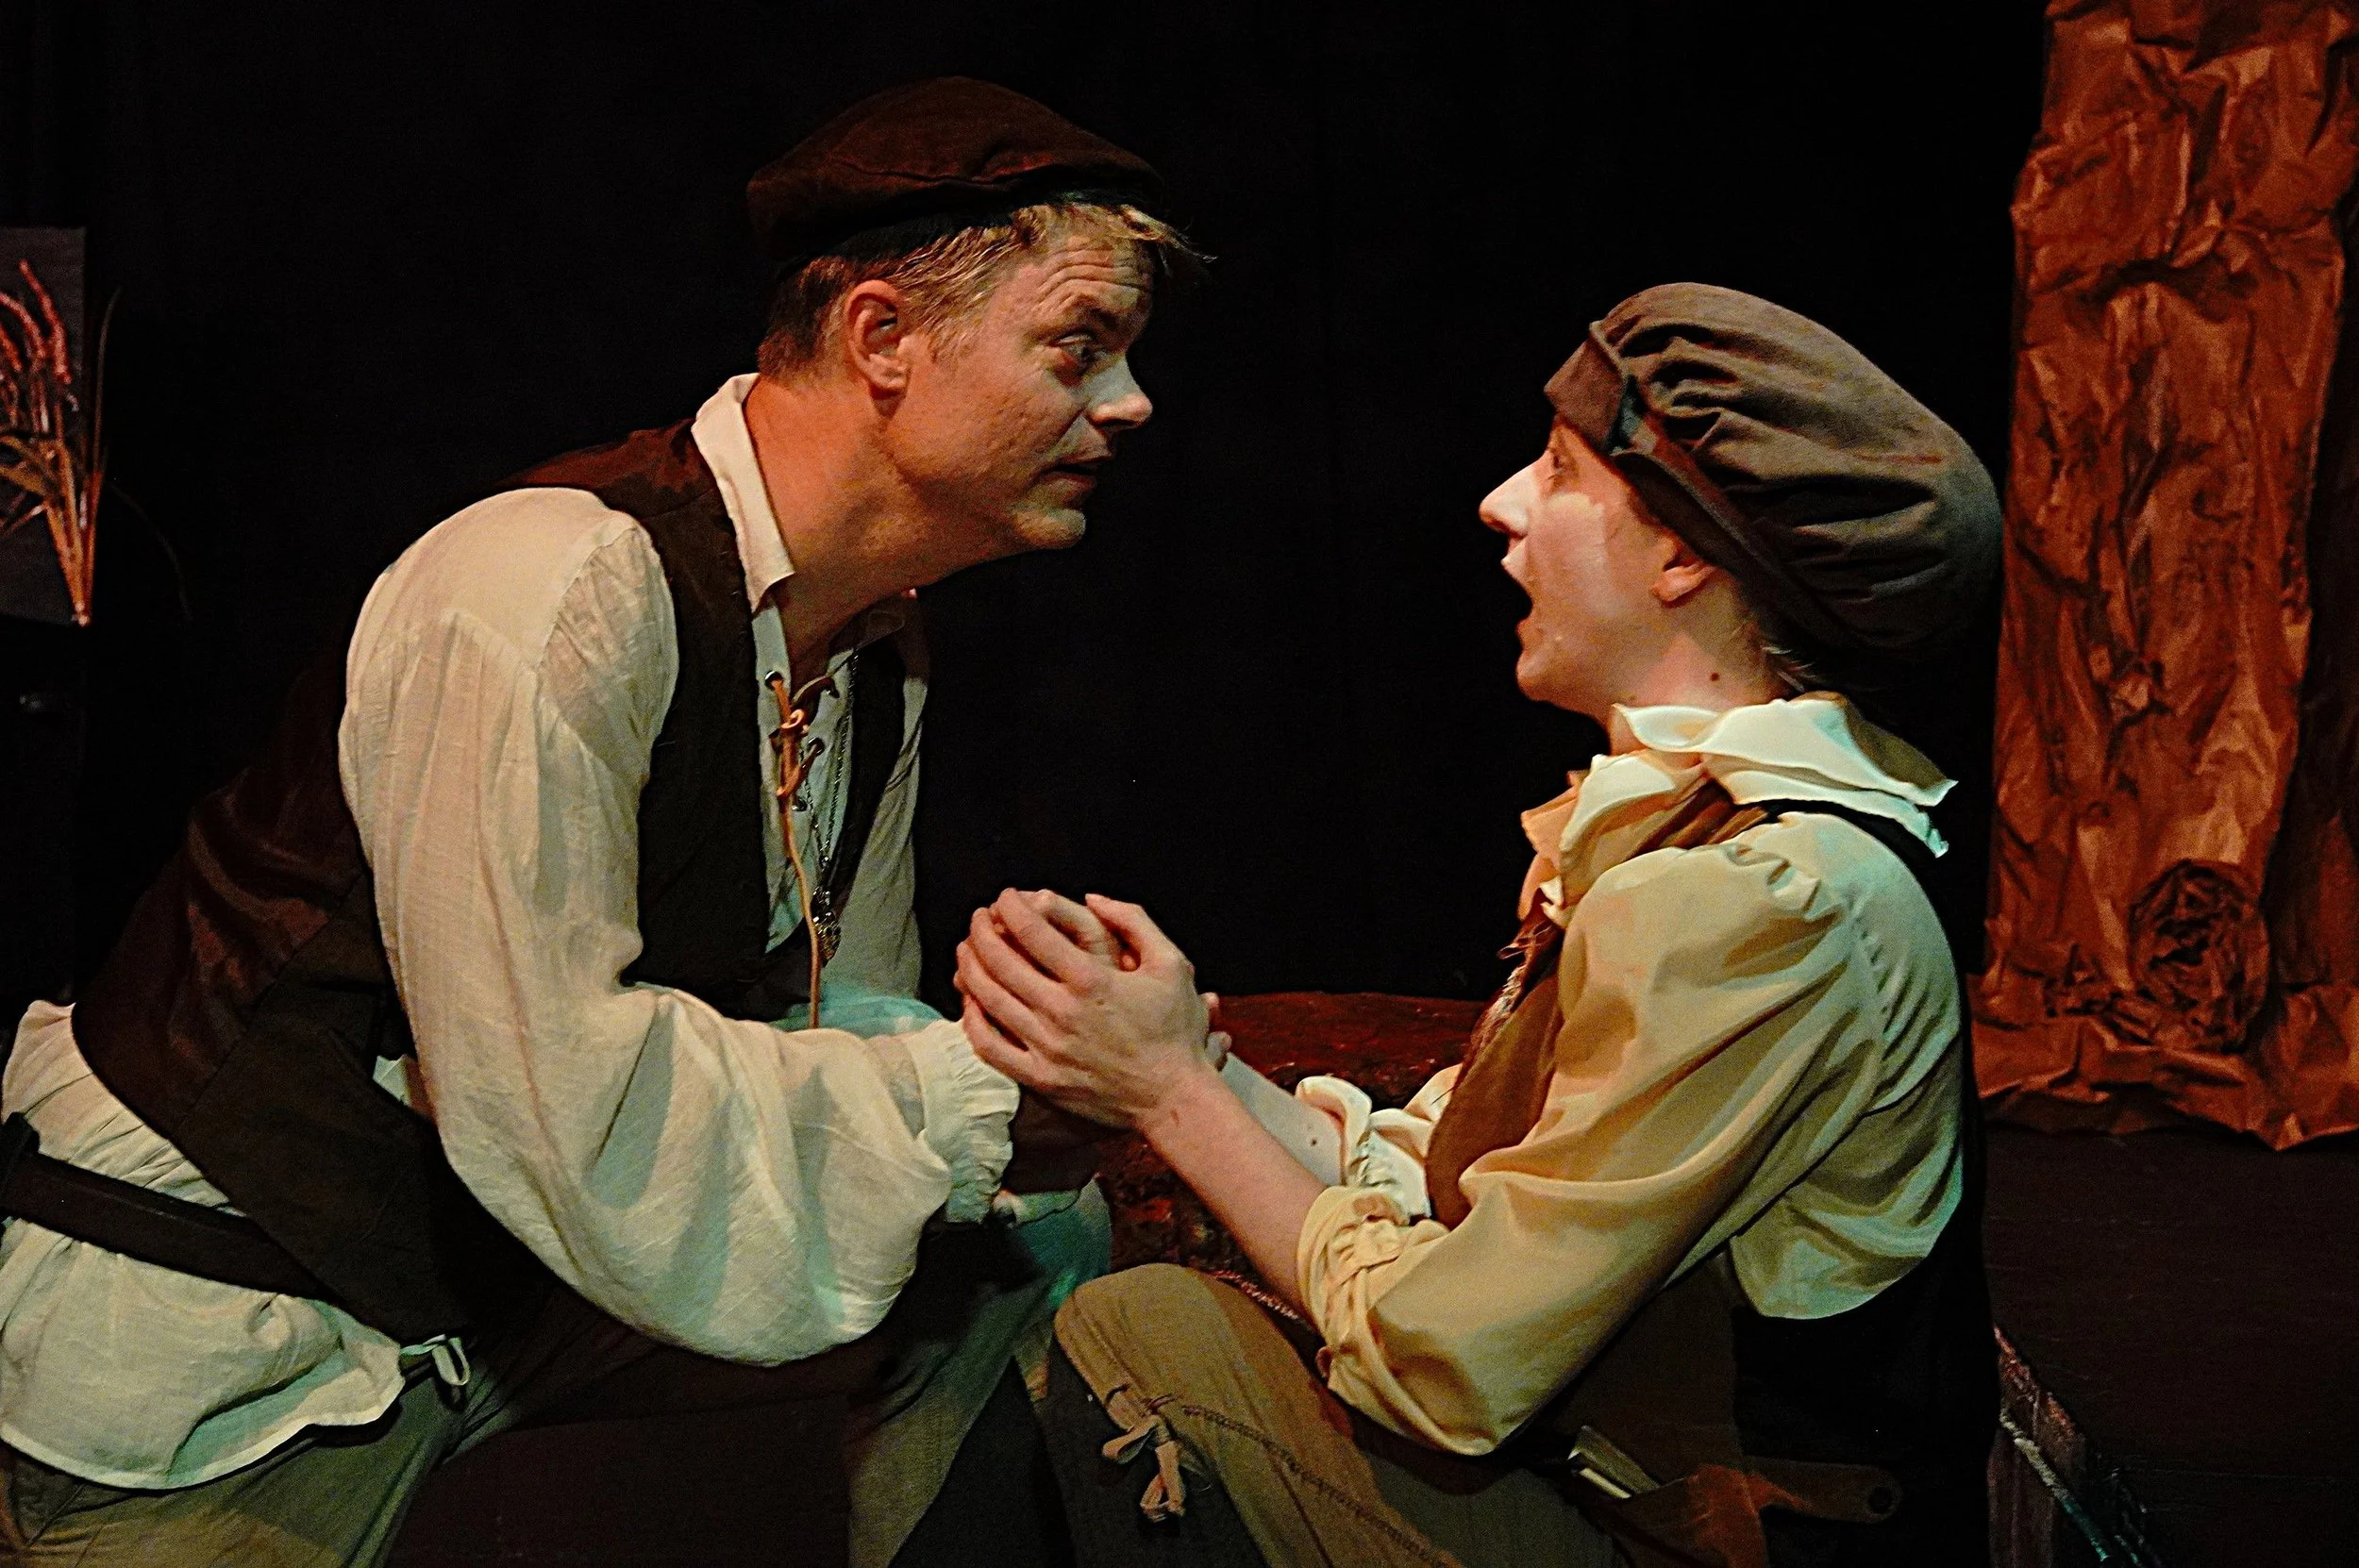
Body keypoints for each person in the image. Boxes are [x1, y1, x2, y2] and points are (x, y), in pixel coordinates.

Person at [0, 78, 1196, 1568]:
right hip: (241, 1318)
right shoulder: (554, 591)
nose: (1131, 403)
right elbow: (557, 1093)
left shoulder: (877, 650)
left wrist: (1078, 1073)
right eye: (1080, 349)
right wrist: (972, 1100)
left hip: (493, 1270)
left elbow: (813, 1033)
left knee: (1022, 1252)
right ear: (883, 339)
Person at [956, 283, 2002, 1568]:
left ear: (1683, 555)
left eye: (1559, 473)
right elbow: (1459, 1171)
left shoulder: (1765, 898)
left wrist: (1177, 1095)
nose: (1503, 503)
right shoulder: (1692, 836)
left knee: (1151, 1338)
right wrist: (1176, 1056)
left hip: (1709, 1540)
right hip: (1618, 1483)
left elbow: (1445, 1364)